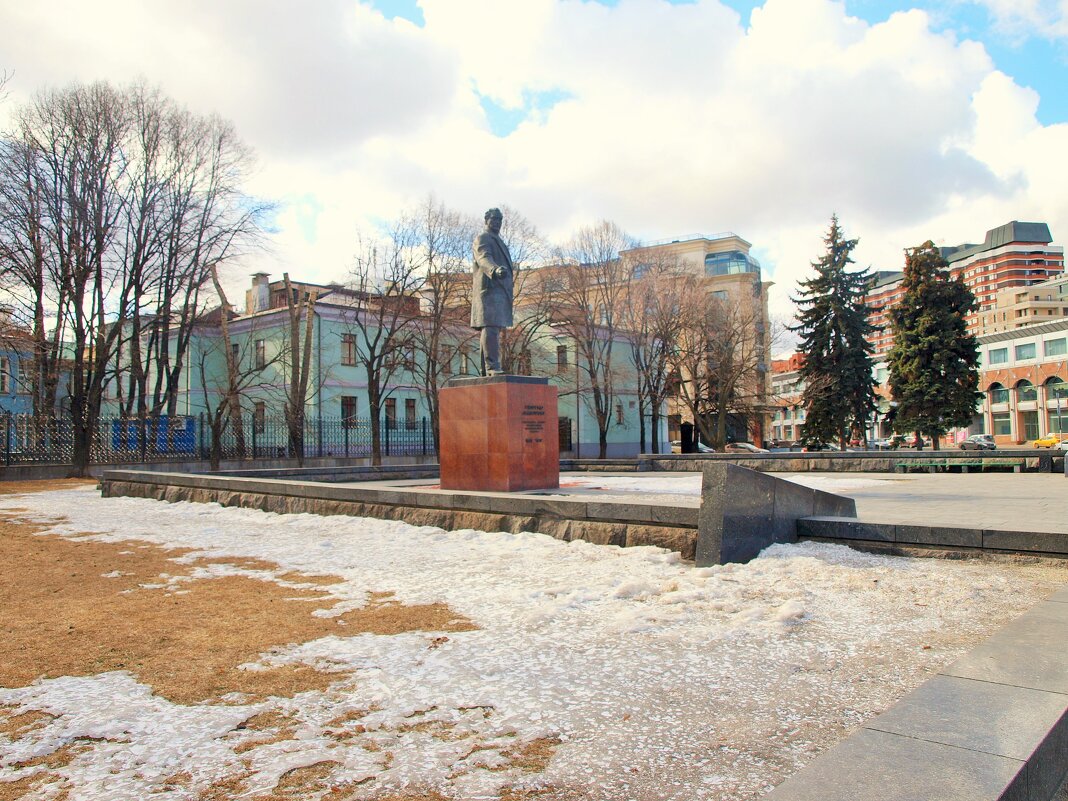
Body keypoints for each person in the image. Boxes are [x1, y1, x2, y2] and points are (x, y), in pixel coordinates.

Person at [471, 207, 514, 375]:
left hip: (500, 291)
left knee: (493, 329)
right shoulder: (483, 238)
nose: (497, 223)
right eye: (494, 219)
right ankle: (491, 367)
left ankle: (487, 369)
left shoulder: (500, 241)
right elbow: (483, 257)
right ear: (486, 220)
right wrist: (494, 270)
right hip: (488, 290)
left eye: (499, 220)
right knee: (490, 327)